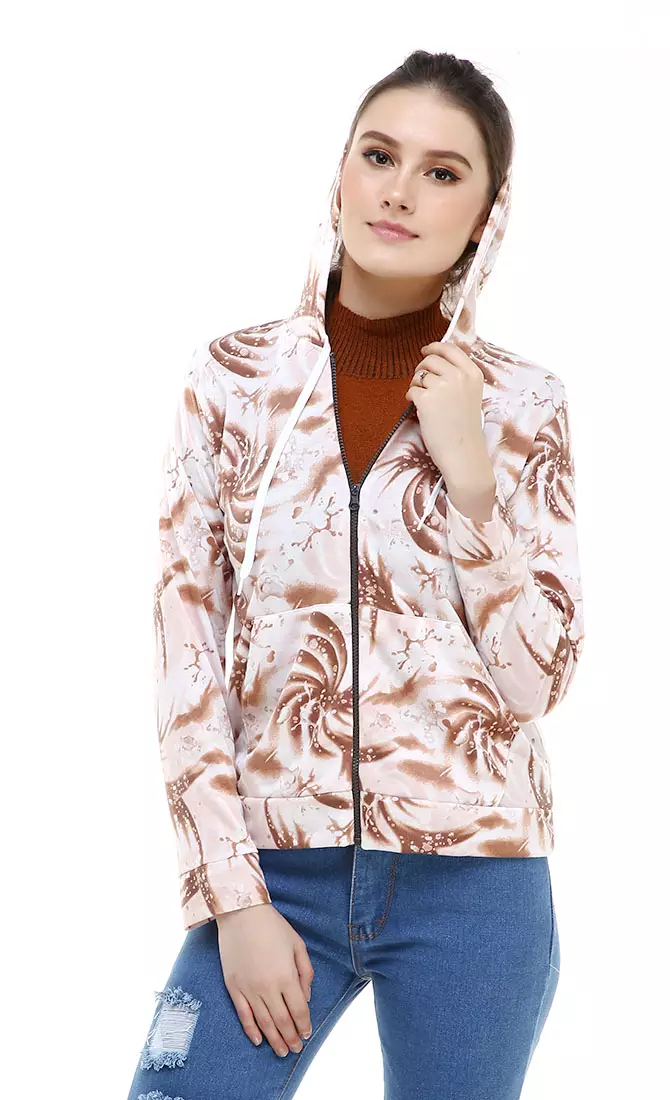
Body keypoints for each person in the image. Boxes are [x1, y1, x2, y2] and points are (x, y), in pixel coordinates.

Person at [129, 48, 584, 1100]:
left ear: (486, 218)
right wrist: (233, 896)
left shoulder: (524, 404)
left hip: (476, 881)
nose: (399, 191)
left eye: (441, 171)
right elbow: (186, 654)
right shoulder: (231, 382)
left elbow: (538, 682)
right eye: (379, 155)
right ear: (339, 171)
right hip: (274, 870)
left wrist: (473, 487)